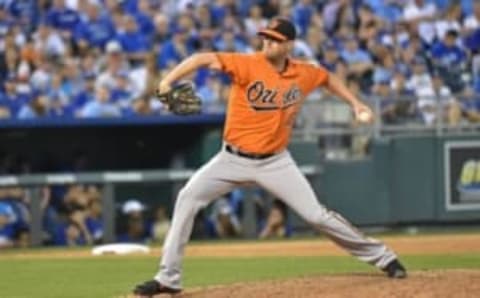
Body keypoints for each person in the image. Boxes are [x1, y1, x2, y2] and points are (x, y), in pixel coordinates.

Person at [133, 17, 407, 296]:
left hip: (275, 161)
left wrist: (356, 103)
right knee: (187, 198)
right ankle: (168, 278)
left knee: (316, 216)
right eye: (265, 36)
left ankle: (384, 257)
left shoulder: (303, 73)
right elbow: (202, 58)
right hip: (231, 159)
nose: (267, 41)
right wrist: (167, 81)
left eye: (274, 39)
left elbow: (327, 78)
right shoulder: (247, 63)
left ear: (289, 45)